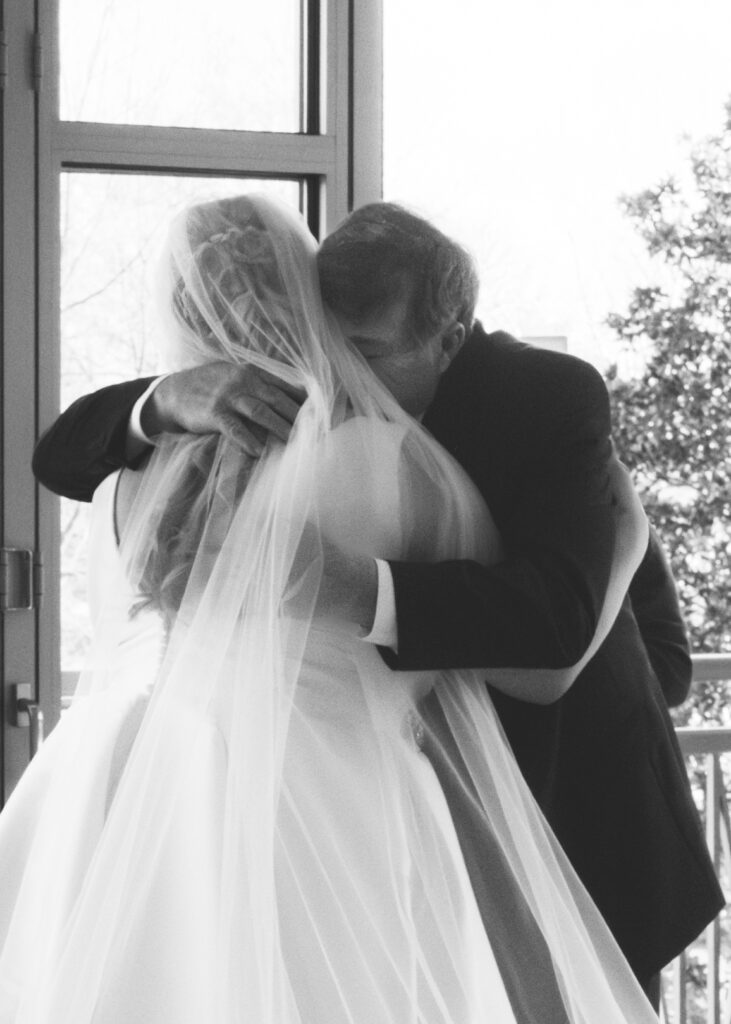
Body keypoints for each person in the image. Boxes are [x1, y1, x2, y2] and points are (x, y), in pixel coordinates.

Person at [31, 201, 723, 1009]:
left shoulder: (540, 396)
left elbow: (557, 638)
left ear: (449, 339)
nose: (337, 365)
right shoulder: (271, 407)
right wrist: (166, 398)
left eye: (367, 350)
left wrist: (356, 585)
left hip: (568, 779)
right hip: (384, 775)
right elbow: (60, 452)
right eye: (324, 334)